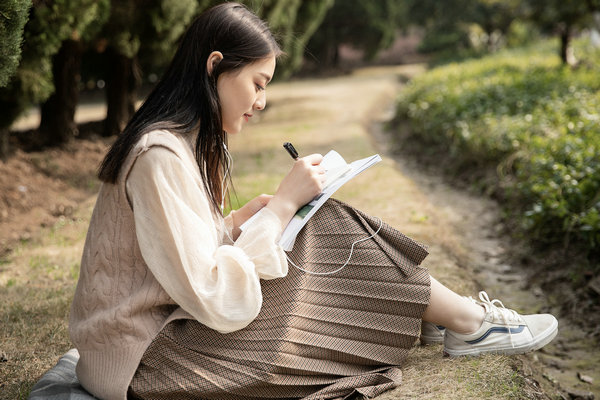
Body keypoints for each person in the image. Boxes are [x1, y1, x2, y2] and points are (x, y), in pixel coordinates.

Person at [68, 3, 558, 400]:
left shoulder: (180, 146)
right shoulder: (160, 155)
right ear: (215, 65)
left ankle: (447, 317)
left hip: (164, 340)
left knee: (313, 222)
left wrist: (241, 220)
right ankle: (464, 322)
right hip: (149, 361)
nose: (260, 102)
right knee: (318, 231)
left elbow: (176, 257)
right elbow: (216, 297)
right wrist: (282, 206)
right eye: (257, 84)